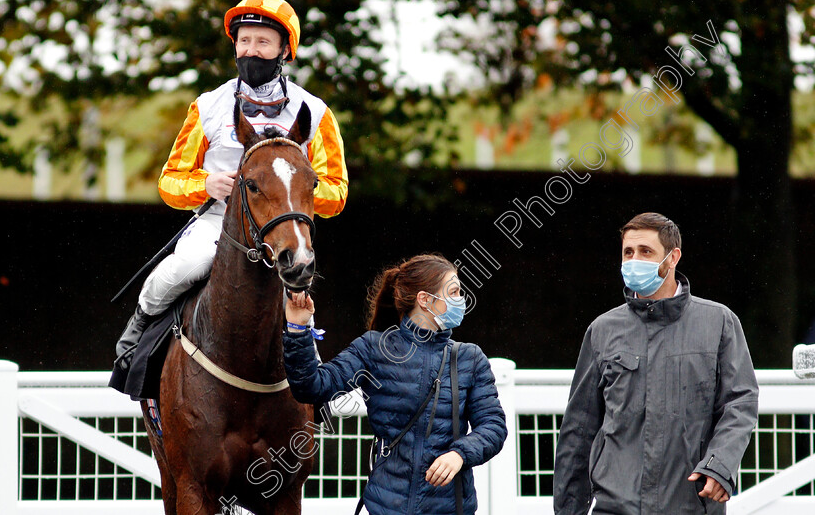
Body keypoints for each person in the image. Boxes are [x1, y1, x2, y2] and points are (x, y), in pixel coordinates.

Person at [114, 0, 348, 366]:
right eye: (244, 41)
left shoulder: (316, 113)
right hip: (218, 221)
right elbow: (169, 181)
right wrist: (205, 185)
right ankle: (139, 328)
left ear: (285, 50)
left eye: (263, 42)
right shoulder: (208, 105)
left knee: (299, 278)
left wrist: (288, 195)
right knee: (188, 265)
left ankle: (313, 376)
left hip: (284, 223)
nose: (251, 51)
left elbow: (336, 192)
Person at [553, 212, 759, 515]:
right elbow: (579, 428)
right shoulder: (603, 330)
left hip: (692, 503)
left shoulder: (719, 323)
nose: (634, 260)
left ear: (673, 257)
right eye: (628, 252)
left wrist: (720, 465)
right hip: (615, 505)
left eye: (645, 251)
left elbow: (740, 403)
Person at [283, 254, 507, 515]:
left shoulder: (470, 357)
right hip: (385, 507)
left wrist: (459, 454)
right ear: (425, 300)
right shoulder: (373, 347)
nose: (461, 300)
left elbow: (493, 426)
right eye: (454, 292)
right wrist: (297, 329)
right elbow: (311, 388)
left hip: (450, 508)